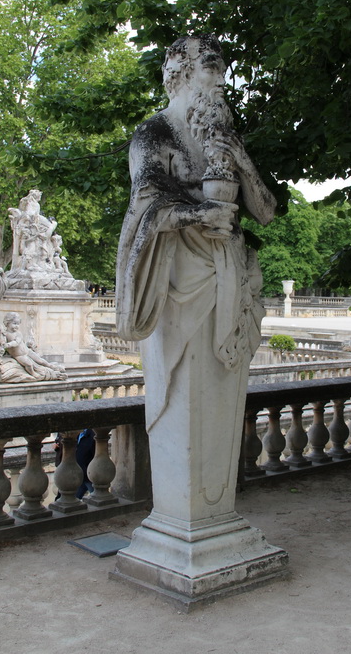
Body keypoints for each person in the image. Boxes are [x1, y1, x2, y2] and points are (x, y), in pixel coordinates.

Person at [115, 34, 276, 513]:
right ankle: (184, 520)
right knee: (185, 396)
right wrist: (199, 215)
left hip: (227, 276)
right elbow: (144, 208)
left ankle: (214, 516)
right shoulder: (154, 135)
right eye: (211, 67)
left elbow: (266, 211)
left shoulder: (221, 139)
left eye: (223, 69)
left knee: (221, 393)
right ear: (181, 73)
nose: (222, 80)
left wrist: (241, 158)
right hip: (177, 278)